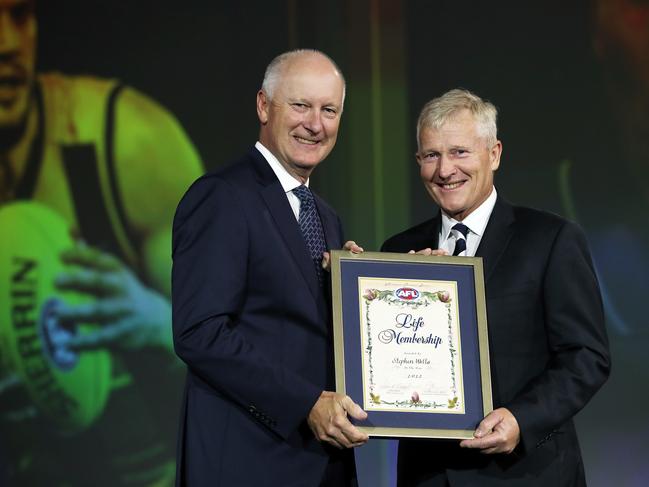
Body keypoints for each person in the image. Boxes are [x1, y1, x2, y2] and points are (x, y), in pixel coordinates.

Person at [0, 0, 203, 484]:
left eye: (21, 14)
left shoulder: (127, 143)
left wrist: (158, 324)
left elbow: (255, 345)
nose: (7, 43)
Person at [381, 89, 610, 486]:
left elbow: (586, 356)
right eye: (431, 155)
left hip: (526, 472)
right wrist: (347, 276)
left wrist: (523, 418)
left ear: (494, 154)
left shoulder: (551, 239)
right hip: (428, 475)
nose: (445, 169)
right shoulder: (398, 251)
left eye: (459, 152)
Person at [171, 49, 368, 487]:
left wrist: (362, 289)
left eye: (329, 110)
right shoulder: (222, 196)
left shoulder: (325, 216)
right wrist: (304, 403)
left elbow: (300, 325)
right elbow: (200, 332)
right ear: (264, 105)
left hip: (321, 463)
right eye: (300, 105)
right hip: (246, 461)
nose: (315, 123)